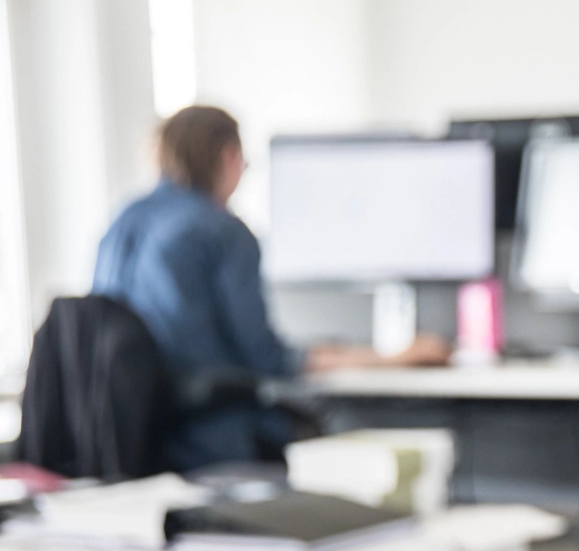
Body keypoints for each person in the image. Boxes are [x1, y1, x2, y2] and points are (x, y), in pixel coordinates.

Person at [92, 105, 449, 471]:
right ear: (229, 157)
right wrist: (394, 358)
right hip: (209, 441)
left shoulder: (122, 222)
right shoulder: (222, 231)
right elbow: (269, 359)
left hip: (124, 443)